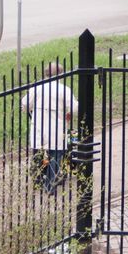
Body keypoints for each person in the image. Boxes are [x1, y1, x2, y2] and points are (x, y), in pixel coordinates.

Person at [21, 63, 78, 194]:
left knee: (38, 152)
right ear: (61, 74)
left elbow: (24, 104)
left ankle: (38, 179)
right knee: (56, 155)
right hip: (56, 126)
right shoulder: (64, 89)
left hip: (38, 125)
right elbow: (74, 107)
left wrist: (31, 110)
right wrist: (69, 112)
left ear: (46, 73)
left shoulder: (37, 87)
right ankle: (50, 185)